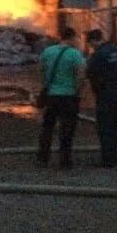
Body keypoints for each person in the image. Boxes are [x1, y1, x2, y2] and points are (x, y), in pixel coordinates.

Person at [36, 27, 86, 168]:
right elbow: (81, 75)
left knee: (47, 128)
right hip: (69, 96)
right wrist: (77, 91)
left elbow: (40, 69)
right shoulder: (75, 54)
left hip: (52, 96)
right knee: (67, 129)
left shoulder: (48, 51)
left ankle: (42, 157)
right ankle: (64, 160)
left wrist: (46, 85)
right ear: (72, 38)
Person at [85, 29, 117, 168]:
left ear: (93, 40)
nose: (91, 46)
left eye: (90, 43)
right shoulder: (114, 50)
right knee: (114, 127)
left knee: (104, 127)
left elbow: (90, 73)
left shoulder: (98, 55)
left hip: (104, 95)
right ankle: (113, 157)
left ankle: (106, 160)